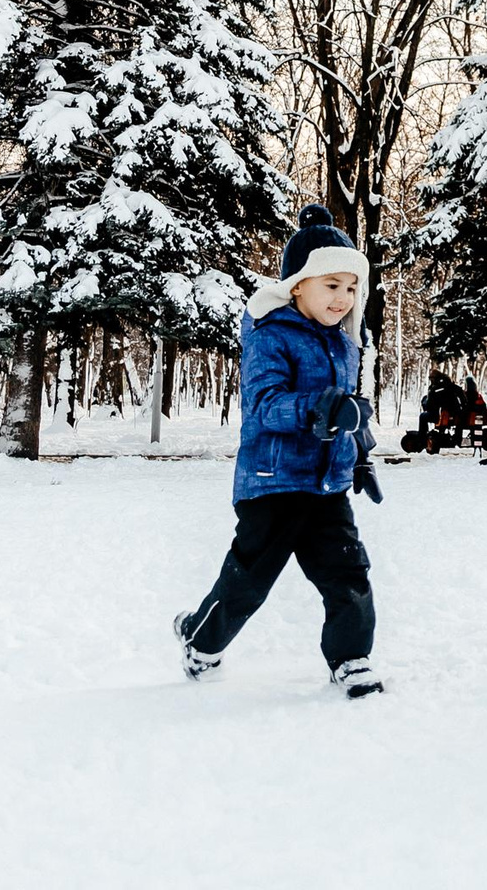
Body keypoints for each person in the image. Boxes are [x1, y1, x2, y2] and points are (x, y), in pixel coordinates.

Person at [173, 204, 384, 699]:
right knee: (249, 581)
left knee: (348, 572)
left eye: (351, 288)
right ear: (297, 286)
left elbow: (349, 412)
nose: (343, 298)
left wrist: (360, 455)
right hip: (272, 483)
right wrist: (322, 407)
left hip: (326, 486)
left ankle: (351, 657)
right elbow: (265, 407)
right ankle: (200, 640)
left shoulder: (347, 344)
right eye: (331, 285)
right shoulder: (271, 336)